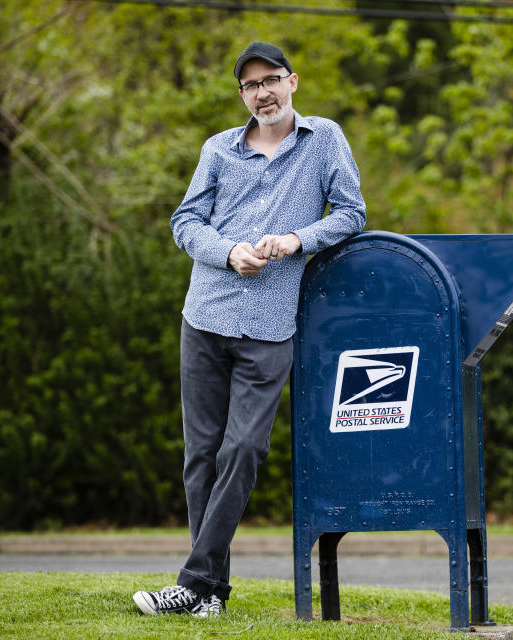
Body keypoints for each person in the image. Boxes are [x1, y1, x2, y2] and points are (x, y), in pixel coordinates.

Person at [133, 41, 366, 617]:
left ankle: (192, 584)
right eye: (249, 85)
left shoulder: (325, 140)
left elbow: (352, 212)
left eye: (270, 80)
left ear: (292, 82)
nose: (260, 92)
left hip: (269, 328)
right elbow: (184, 221)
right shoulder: (218, 149)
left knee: (242, 449)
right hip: (205, 316)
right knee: (201, 457)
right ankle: (209, 594)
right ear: (241, 94)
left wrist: (296, 241)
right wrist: (229, 251)